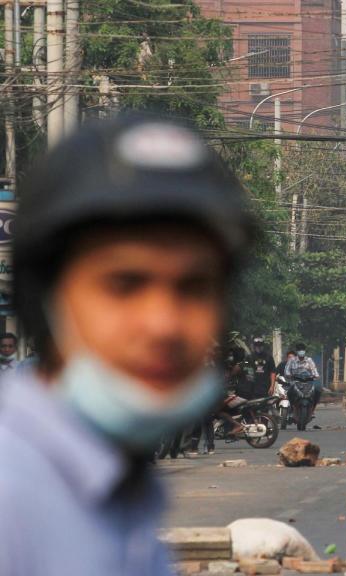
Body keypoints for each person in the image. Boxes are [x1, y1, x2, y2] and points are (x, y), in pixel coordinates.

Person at [0, 117, 253, 574]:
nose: (164, 325)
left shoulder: (121, 490)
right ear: (44, 298)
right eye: (124, 283)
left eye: (194, 287)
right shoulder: (12, 498)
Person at [286, 343, 321, 416]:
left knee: (318, 391)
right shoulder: (292, 360)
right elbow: (287, 371)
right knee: (289, 392)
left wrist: (316, 375)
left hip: (308, 382)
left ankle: (312, 409)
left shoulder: (309, 360)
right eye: (299, 350)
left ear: (305, 351)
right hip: (296, 382)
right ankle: (292, 408)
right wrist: (289, 375)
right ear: (297, 351)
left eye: (303, 350)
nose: (301, 351)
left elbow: (314, 370)